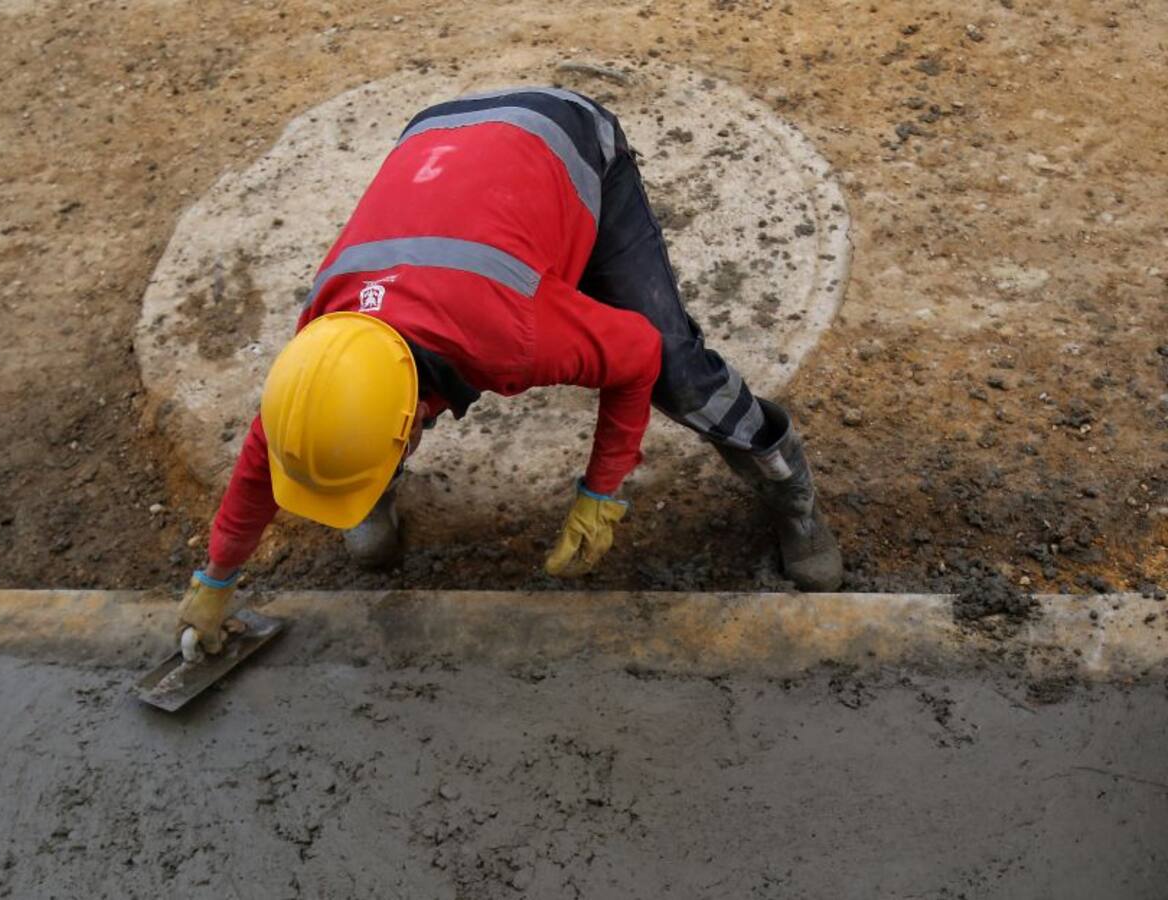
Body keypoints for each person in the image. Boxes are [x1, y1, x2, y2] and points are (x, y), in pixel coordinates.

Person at [177, 87, 843, 652]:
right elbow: (268, 452)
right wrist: (215, 581)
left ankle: (788, 487)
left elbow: (634, 356)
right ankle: (365, 480)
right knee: (362, 407)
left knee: (675, 367)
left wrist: (600, 493)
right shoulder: (320, 351)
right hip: (439, 141)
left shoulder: (508, 336)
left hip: (568, 138)